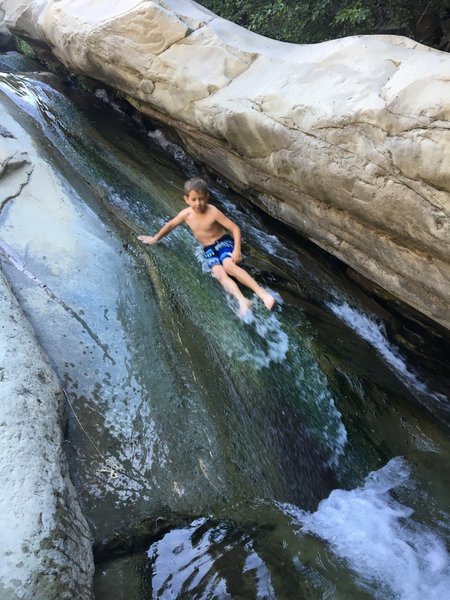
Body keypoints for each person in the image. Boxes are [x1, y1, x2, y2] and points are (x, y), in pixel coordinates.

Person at [138, 177, 276, 316]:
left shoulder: (213, 211)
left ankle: (263, 294)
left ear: (207, 197)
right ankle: (243, 300)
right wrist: (155, 238)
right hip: (208, 249)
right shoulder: (186, 215)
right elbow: (170, 225)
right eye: (194, 199)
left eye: (201, 199)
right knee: (220, 274)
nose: (198, 203)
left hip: (223, 242)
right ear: (186, 199)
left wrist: (237, 249)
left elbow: (235, 229)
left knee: (228, 265)